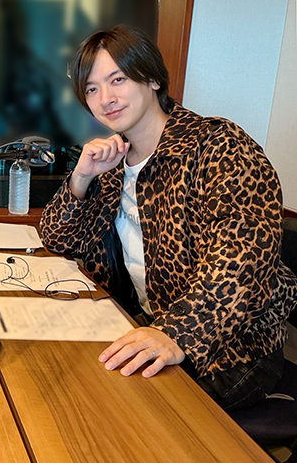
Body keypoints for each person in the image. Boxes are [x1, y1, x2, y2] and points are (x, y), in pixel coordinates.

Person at [41, 25, 297, 412]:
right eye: (92, 89)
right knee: (66, 384)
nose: (106, 99)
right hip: (147, 323)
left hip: (231, 350)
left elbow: (243, 256)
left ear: (153, 79)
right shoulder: (112, 161)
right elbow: (57, 238)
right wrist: (81, 178)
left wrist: (177, 332)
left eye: (118, 80)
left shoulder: (218, 145)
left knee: (121, 414)